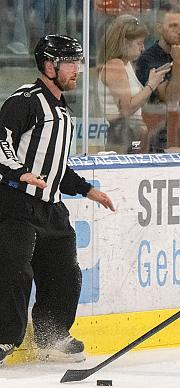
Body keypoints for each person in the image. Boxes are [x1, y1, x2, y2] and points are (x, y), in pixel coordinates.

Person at [0, 35, 115, 366]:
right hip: (15, 204)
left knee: (65, 272)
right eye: (70, 62)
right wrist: (20, 173)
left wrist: (86, 189)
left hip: (50, 208)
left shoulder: (63, 111)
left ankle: (51, 337)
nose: (77, 69)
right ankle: (4, 338)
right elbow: (2, 142)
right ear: (49, 66)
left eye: (78, 62)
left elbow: (56, 166)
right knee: (13, 270)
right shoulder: (26, 101)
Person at [134, 3, 180, 152]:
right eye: (173, 26)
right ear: (159, 28)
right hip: (158, 142)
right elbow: (171, 98)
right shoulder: (147, 60)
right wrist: (178, 63)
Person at [97, 14, 170, 153]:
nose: (143, 48)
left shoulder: (127, 65)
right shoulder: (115, 65)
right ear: (124, 42)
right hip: (122, 138)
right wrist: (151, 85)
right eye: (139, 43)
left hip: (132, 136)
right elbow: (127, 109)